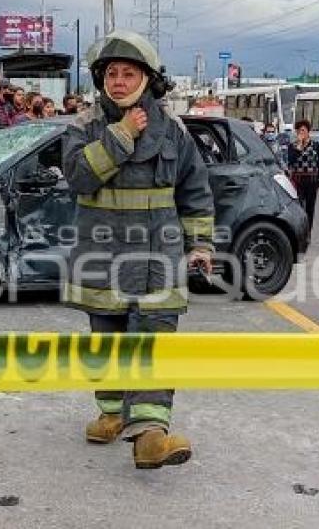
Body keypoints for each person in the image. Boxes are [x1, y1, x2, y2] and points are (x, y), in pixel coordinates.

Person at [63, 30, 215, 470]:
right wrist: (122, 135)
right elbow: (77, 178)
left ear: (148, 79)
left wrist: (201, 243)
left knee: (153, 342)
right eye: (112, 73)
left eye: (129, 73)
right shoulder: (85, 126)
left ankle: (150, 433)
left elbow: (196, 190)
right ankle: (111, 411)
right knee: (106, 338)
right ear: (101, 80)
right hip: (102, 255)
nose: (120, 82)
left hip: (158, 258)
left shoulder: (174, 131)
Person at [287, 119, 319, 235]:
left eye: (303, 130)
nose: (301, 133)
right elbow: (291, 161)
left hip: (311, 180)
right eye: (299, 131)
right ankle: (298, 230)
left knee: (310, 207)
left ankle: (308, 231)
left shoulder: (316, 145)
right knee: (298, 206)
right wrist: (299, 147)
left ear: (308, 132)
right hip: (297, 180)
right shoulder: (292, 146)